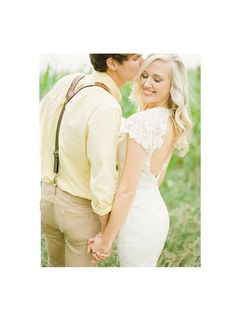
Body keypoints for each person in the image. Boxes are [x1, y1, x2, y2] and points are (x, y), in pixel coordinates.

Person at [88, 54, 192, 267]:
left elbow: (127, 189)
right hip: (154, 214)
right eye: (144, 75)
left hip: (137, 219)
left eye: (157, 79)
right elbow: (156, 178)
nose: (146, 83)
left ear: (173, 85)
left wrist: (106, 239)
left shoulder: (142, 122)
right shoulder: (172, 121)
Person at [40, 53, 143, 267]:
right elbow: (103, 173)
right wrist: (105, 232)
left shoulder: (68, 82)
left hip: (48, 199)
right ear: (112, 63)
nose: (142, 62)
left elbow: (40, 124)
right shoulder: (106, 106)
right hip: (79, 211)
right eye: (135, 57)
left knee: (54, 267)